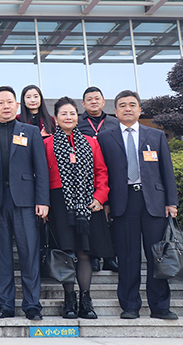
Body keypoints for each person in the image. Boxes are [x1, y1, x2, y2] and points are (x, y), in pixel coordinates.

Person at [97, 90, 179, 320]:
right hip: (123, 202)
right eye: (122, 105)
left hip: (154, 202)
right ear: (115, 111)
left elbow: (166, 171)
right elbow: (102, 173)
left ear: (140, 110)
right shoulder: (105, 137)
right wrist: (106, 203)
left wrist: (171, 202)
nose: (128, 109)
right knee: (127, 256)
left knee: (157, 256)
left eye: (132, 105)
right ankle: (130, 305)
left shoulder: (156, 136)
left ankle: (160, 306)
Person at [0, 86, 49, 321]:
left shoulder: (31, 132)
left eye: (9, 102)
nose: (5, 106)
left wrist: (43, 200)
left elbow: (41, 169)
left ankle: (32, 305)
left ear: (17, 106)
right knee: (2, 258)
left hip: (26, 202)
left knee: (29, 255)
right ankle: (5, 305)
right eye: (1, 103)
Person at [44, 97, 112, 319]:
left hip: (88, 204)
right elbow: (40, 176)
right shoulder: (46, 143)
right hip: (58, 203)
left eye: (72, 113)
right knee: (67, 253)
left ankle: (86, 299)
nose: (68, 117)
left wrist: (100, 198)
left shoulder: (91, 142)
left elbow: (101, 172)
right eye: (63, 113)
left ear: (77, 116)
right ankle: (69, 300)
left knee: (84, 253)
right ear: (56, 118)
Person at [78, 86, 120, 273]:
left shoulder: (114, 122)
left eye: (97, 98)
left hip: (114, 175)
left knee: (113, 218)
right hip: (89, 177)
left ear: (104, 102)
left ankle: (111, 257)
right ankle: (94, 256)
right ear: (83, 103)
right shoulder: (78, 123)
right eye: (89, 99)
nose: (93, 102)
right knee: (94, 217)